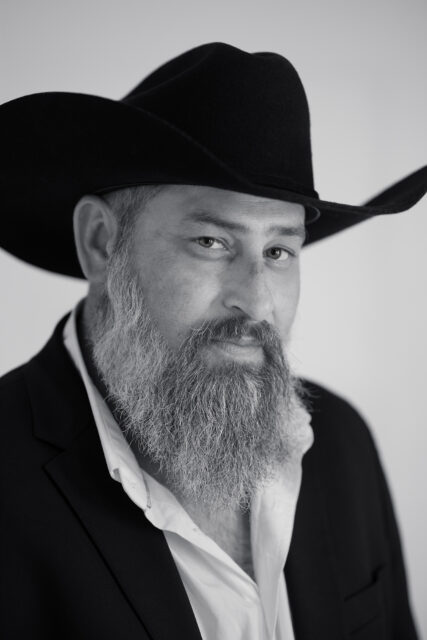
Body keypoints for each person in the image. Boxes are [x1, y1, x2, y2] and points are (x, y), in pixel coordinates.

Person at [0, 42, 426, 640]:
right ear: (100, 242)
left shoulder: (342, 445)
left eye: (278, 251)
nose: (256, 301)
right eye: (211, 242)